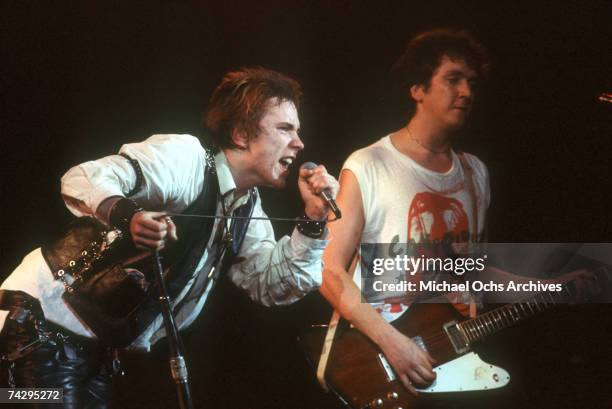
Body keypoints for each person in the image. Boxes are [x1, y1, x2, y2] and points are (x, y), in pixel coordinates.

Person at [0, 67, 338, 408]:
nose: (299, 142)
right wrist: (128, 215)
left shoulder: (245, 206)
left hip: (92, 351)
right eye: (285, 128)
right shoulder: (186, 159)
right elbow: (83, 177)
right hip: (36, 330)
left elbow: (271, 284)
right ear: (240, 134)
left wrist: (313, 219)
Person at [320, 28, 492, 395]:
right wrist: (394, 344)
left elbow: (470, 266)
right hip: (379, 366)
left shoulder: (475, 172)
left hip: (453, 365)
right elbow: (327, 268)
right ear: (418, 89)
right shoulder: (369, 164)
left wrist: (551, 285)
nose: (466, 92)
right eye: (453, 79)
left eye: (471, 83)